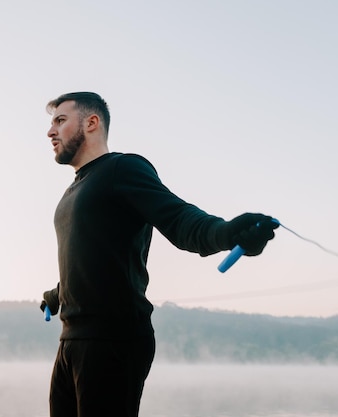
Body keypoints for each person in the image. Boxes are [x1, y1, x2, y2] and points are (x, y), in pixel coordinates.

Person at [39, 92, 278, 417]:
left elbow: (180, 220)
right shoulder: (74, 190)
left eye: (60, 121)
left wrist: (229, 233)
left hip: (113, 341)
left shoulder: (122, 169)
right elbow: (92, 256)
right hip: (71, 340)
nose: (50, 131)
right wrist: (57, 294)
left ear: (91, 122)